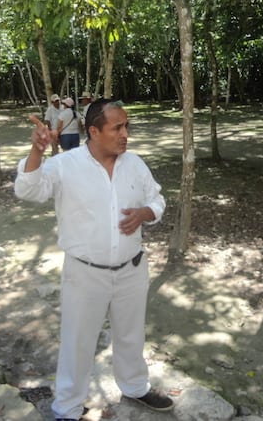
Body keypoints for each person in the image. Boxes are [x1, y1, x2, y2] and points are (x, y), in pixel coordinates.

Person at [14, 98, 174, 420]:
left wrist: (146, 213)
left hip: (131, 268)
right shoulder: (66, 165)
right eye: (117, 128)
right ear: (94, 131)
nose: (125, 134)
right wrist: (37, 152)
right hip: (85, 274)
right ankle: (67, 408)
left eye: (126, 126)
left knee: (131, 335)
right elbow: (27, 191)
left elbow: (157, 200)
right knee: (77, 342)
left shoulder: (135, 164)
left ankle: (134, 386)